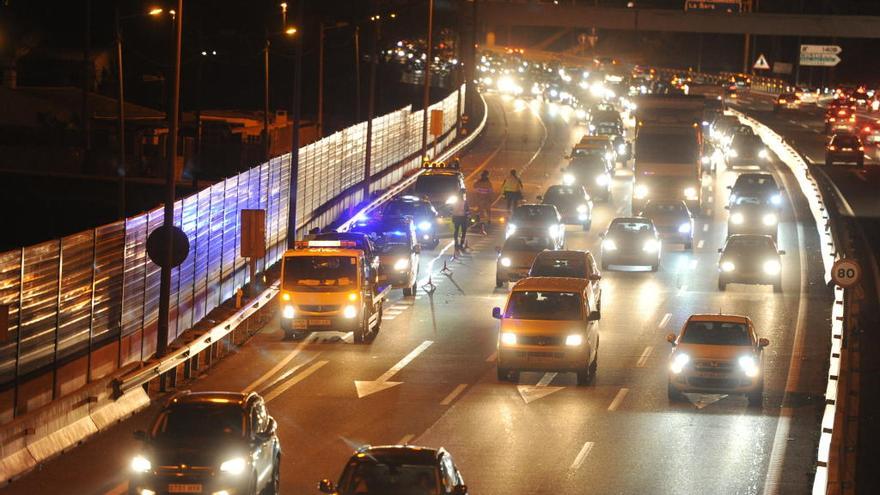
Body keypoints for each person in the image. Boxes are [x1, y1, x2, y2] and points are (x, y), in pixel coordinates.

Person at [450, 188, 469, 253]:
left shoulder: (454, 200)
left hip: (456, 217)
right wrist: (469, 215)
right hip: (462, 217)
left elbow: (451, 209)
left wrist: (453, 215)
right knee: (463, 232)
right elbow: (467, 211)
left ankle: (456, 244)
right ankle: (461, 245)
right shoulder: (464, 201)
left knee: (456, 230)